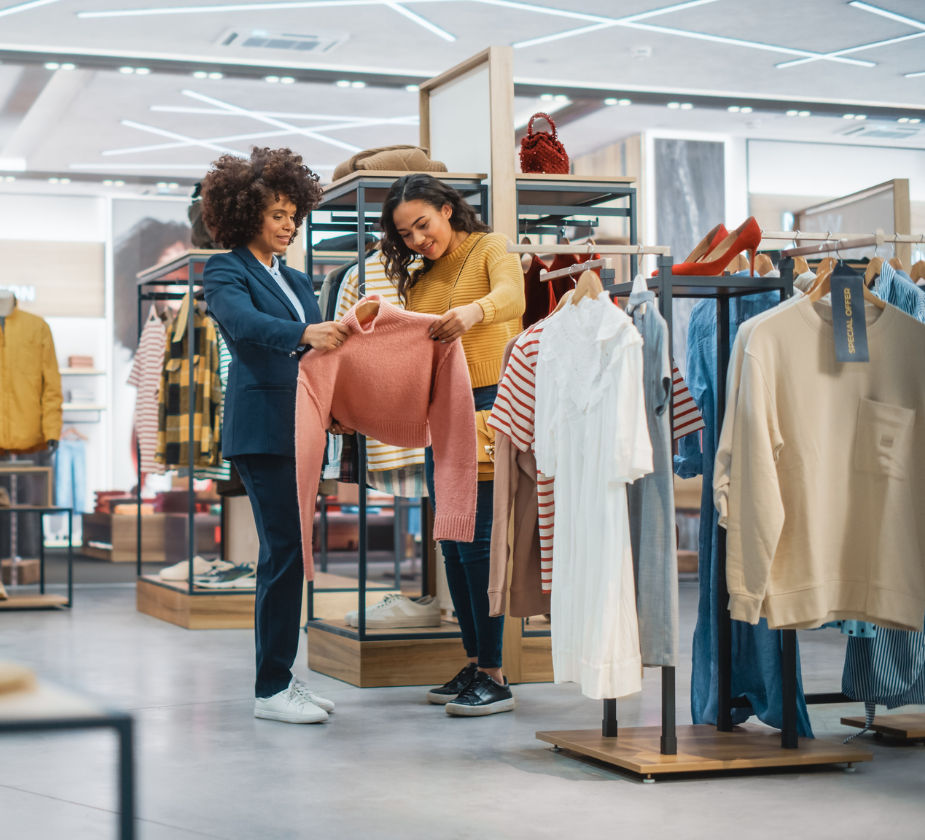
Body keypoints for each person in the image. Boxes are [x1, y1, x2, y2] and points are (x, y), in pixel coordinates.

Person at [201, 147, 350, 725]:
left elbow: (317, 357)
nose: (289, 226)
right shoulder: (226, 269)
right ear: (246, 214)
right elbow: (244, 325)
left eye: (293, 215)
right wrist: (306, 330)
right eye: (277, 215)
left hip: (303, 426)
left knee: (294, 552)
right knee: (284, 551)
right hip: (263, 429)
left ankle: (285, 677)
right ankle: (270, 689)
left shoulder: (291, 276)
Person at [380, 173, 525, 716]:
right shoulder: (420, 279)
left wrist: (473, 312)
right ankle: (476, 659)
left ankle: (495, 673)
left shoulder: (490, 247)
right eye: (406, 234)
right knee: (452, 542)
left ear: (446, 209)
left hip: (488, 407)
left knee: (480, 542)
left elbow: (512, 298)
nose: (418, 239)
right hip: (442, 412)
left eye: (423, 224)